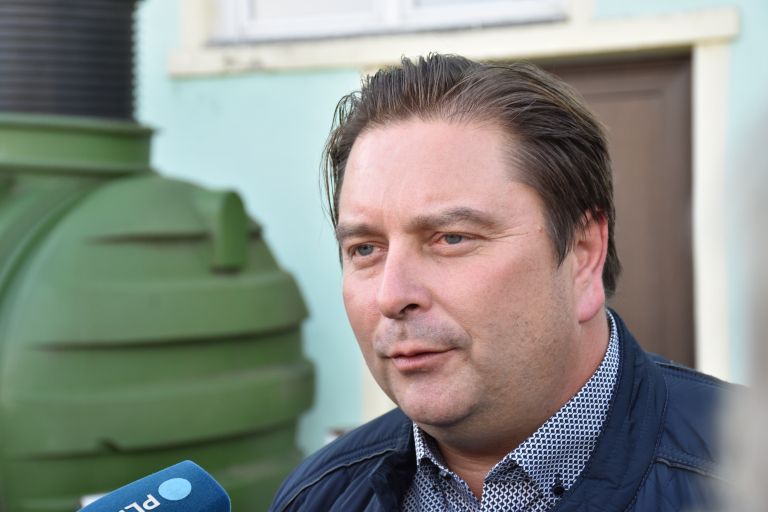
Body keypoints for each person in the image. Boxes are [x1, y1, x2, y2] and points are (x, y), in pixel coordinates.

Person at [269, 53, 726, 511]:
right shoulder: (316, 497)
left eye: (452, 238)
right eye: (365, 249)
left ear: (583, 256)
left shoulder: (742, 479)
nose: (392, 296)